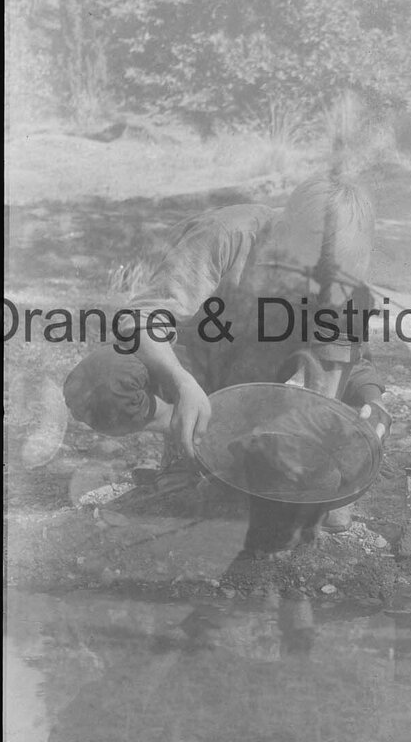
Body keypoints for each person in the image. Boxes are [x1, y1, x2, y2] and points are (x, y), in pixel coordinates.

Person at [63, 175, 390, 551]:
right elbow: (141, 320)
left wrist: (333, 446)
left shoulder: (344, 284)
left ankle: (236, 458)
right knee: (99, 383)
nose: (315, 286)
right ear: (288, 232)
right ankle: (193, 439)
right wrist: (182, 384)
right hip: (188, 367)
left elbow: (332, 377)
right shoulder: (225, 234)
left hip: (263, 387)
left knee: (362, 413)